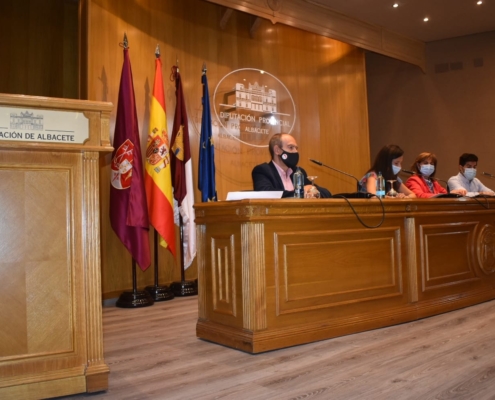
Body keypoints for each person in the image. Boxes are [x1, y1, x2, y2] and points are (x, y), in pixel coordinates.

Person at [252, 133, 331, 198]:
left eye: (296, 148)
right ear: (277, 150)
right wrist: (300, 193)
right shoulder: (262, 170)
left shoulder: (299, 172)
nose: (295, 152)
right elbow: (266, 194)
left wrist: (313, 190)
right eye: (291, 147)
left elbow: (326, 193)